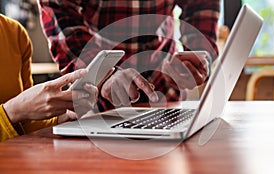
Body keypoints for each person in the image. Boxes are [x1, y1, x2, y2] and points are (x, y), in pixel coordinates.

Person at [38, 0, 220, 111]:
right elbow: (58, 10)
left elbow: (201, 4)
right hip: (99, 101)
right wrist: (102, 74)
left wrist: (197, 56)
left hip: (165, 92)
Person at [0, 14, 98, 142]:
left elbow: (24, 123)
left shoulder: (14, 31)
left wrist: (63, 116)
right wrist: (14, 110)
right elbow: (17, 114)